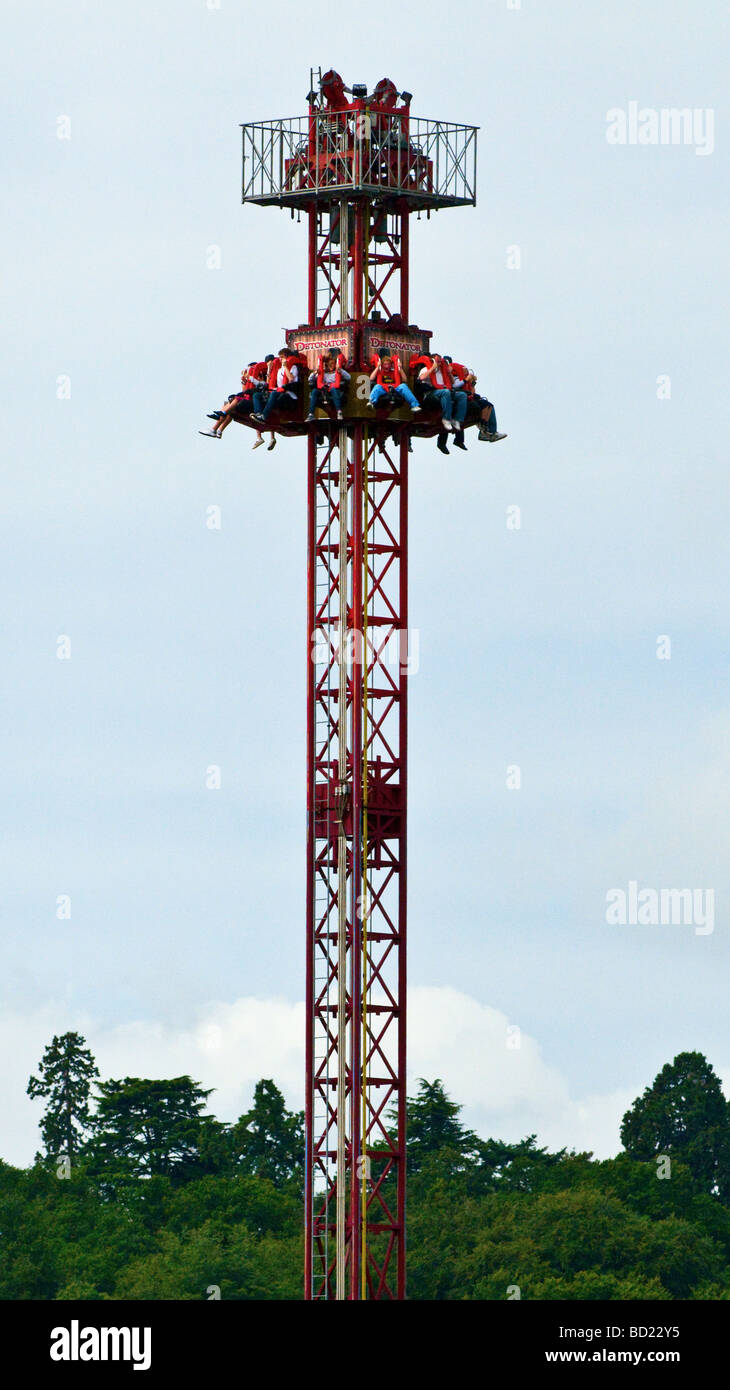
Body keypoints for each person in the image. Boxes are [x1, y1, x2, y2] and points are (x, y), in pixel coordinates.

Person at [416, 355, 467, 445]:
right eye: (437, 362)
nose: (439, 364)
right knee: (446, 392)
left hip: (443, 391)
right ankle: (446, 419)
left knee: (462, 395)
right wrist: (432, 368)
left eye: (440, 362)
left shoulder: (443, 371)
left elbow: (453, 383)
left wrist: (449, 373)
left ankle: (457, 420)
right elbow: (421, 378)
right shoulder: (425, 369)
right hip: (430, 394)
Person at [252, 348, 301, 426]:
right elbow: (269, 384)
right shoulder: (279, 370)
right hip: (279, 391)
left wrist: (286, 367)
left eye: (282, 357)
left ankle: (264, 416)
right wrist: (269, 370)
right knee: (256, 395)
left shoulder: (293, 367)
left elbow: (291, 378)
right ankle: (259, 414)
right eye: (279, 357)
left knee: (274, 394)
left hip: (289, 395)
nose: (280, 359)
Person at [306, 352, 351, 422]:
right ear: (326, 364)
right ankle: (311, 414)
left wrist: (340, 371)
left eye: (333, 364)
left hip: (334, 390)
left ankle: (339, 411)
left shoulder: (338, 372)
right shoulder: (323, 373)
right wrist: (315, 372)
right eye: (329, 364)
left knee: (333, 389)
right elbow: (310, 379)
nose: (331, 366)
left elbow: (348, 377)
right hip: (324, 391)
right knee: (314, 391)